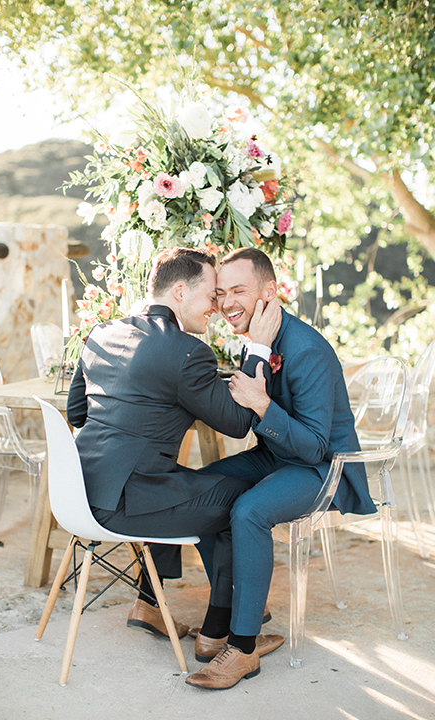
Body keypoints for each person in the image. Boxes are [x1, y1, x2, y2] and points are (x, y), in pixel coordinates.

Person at [66, 246, 284, 657]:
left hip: (80, 495)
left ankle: (149, 604)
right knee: (244, 500)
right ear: (180, 293)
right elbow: (239, 423)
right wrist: (257, 347)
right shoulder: (186, 352)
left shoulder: (100, 333)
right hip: (126, 505)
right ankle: (217, 633)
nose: (216, 308)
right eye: (211, 296)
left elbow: (78, 411)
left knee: (186, 483)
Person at [185, 247, 376, 690]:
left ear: (269, 292)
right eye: (220, 293)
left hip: (323, 468)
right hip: (276, 456)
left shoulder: (306, 348)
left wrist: (261, 403)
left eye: (238, 290)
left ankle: (244, 646)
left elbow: (313, 447)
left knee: (248, 511)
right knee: (199, 489)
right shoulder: (259, 338)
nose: (227, 302)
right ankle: (222, 621)